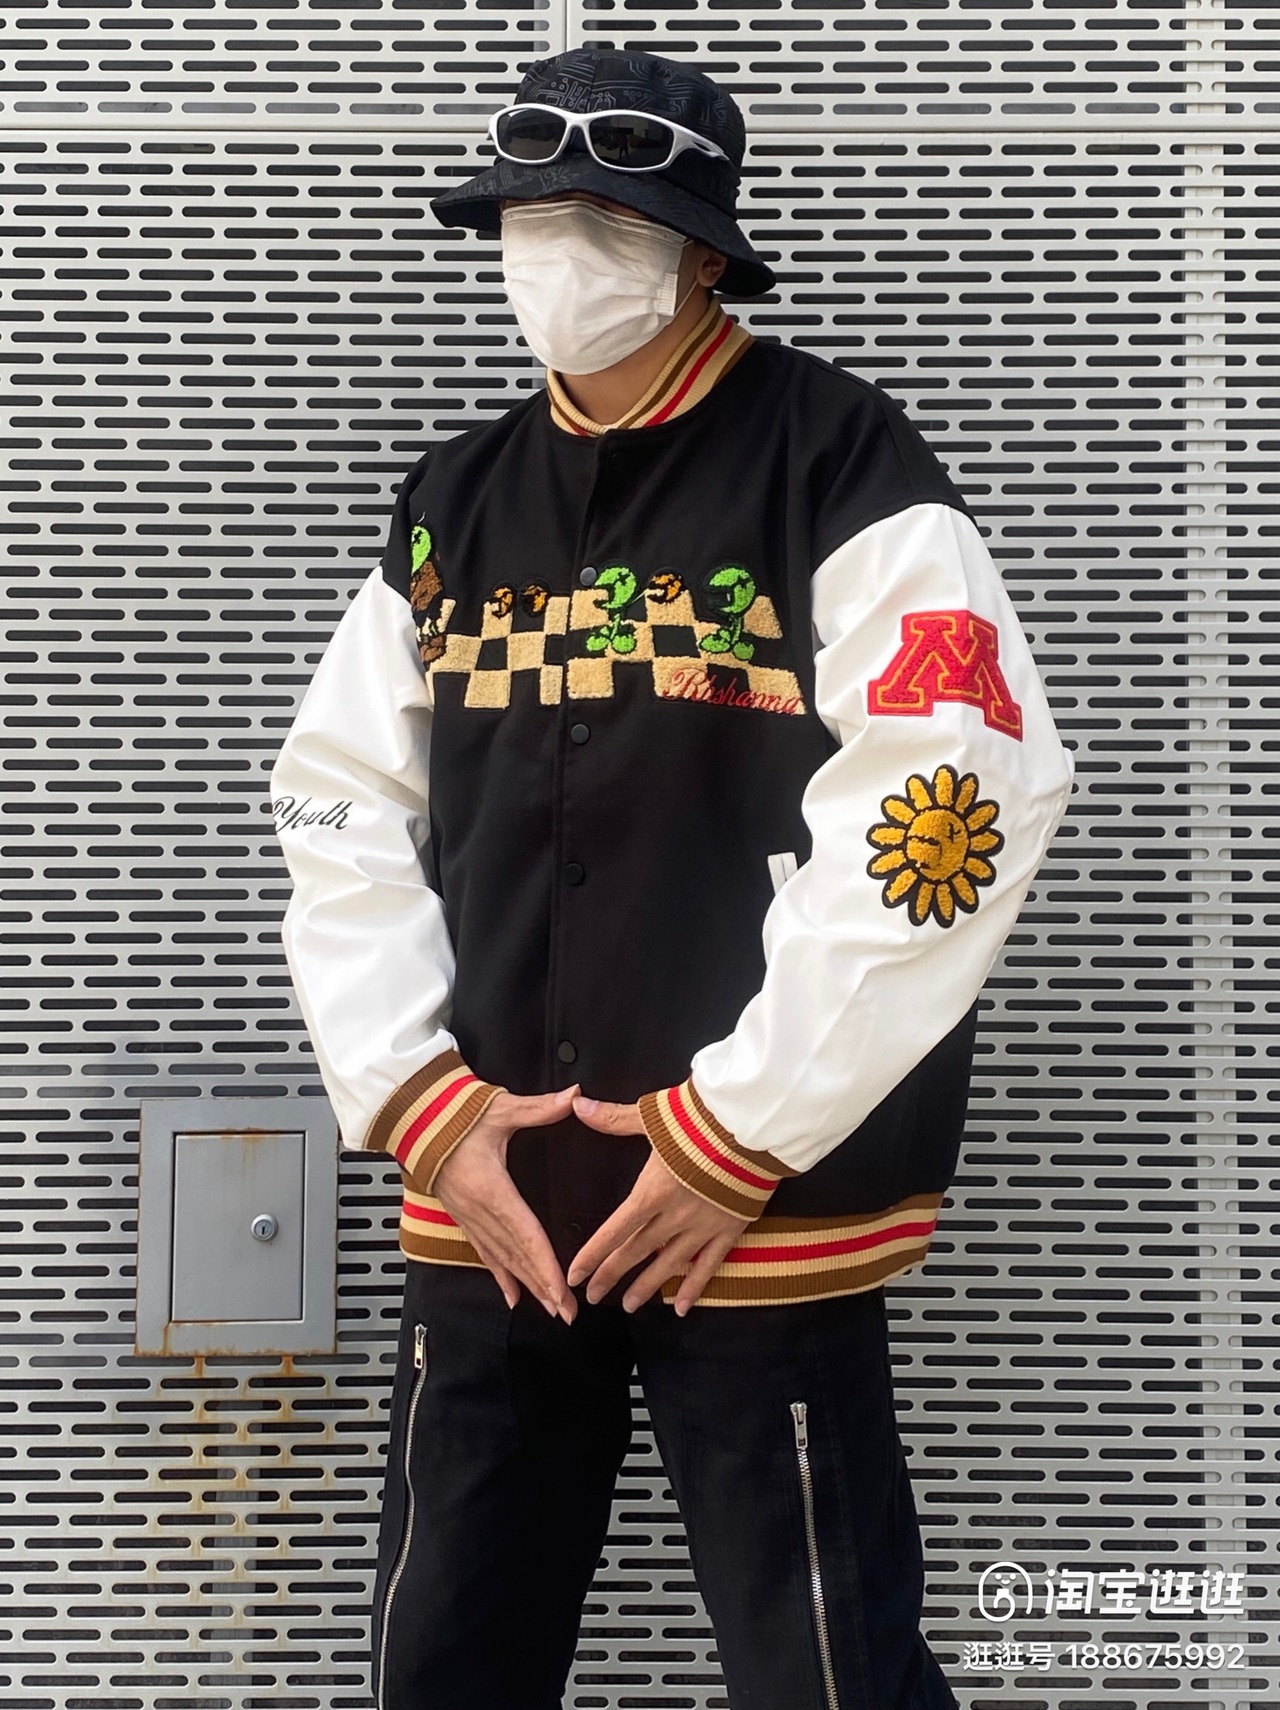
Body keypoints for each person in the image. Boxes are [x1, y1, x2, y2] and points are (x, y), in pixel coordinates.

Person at [267, 44, 1075, 1710]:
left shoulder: (841, 463)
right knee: (442, 1660)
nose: (556, 253)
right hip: (487, 1193)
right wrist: (422, 1102)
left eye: (606, 222)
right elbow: (337, 801)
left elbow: (956, 793)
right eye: (531, 216)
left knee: (824, 1669)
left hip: (756, 1207)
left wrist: (741, 1129)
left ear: (703, 253)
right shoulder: (453, 501)